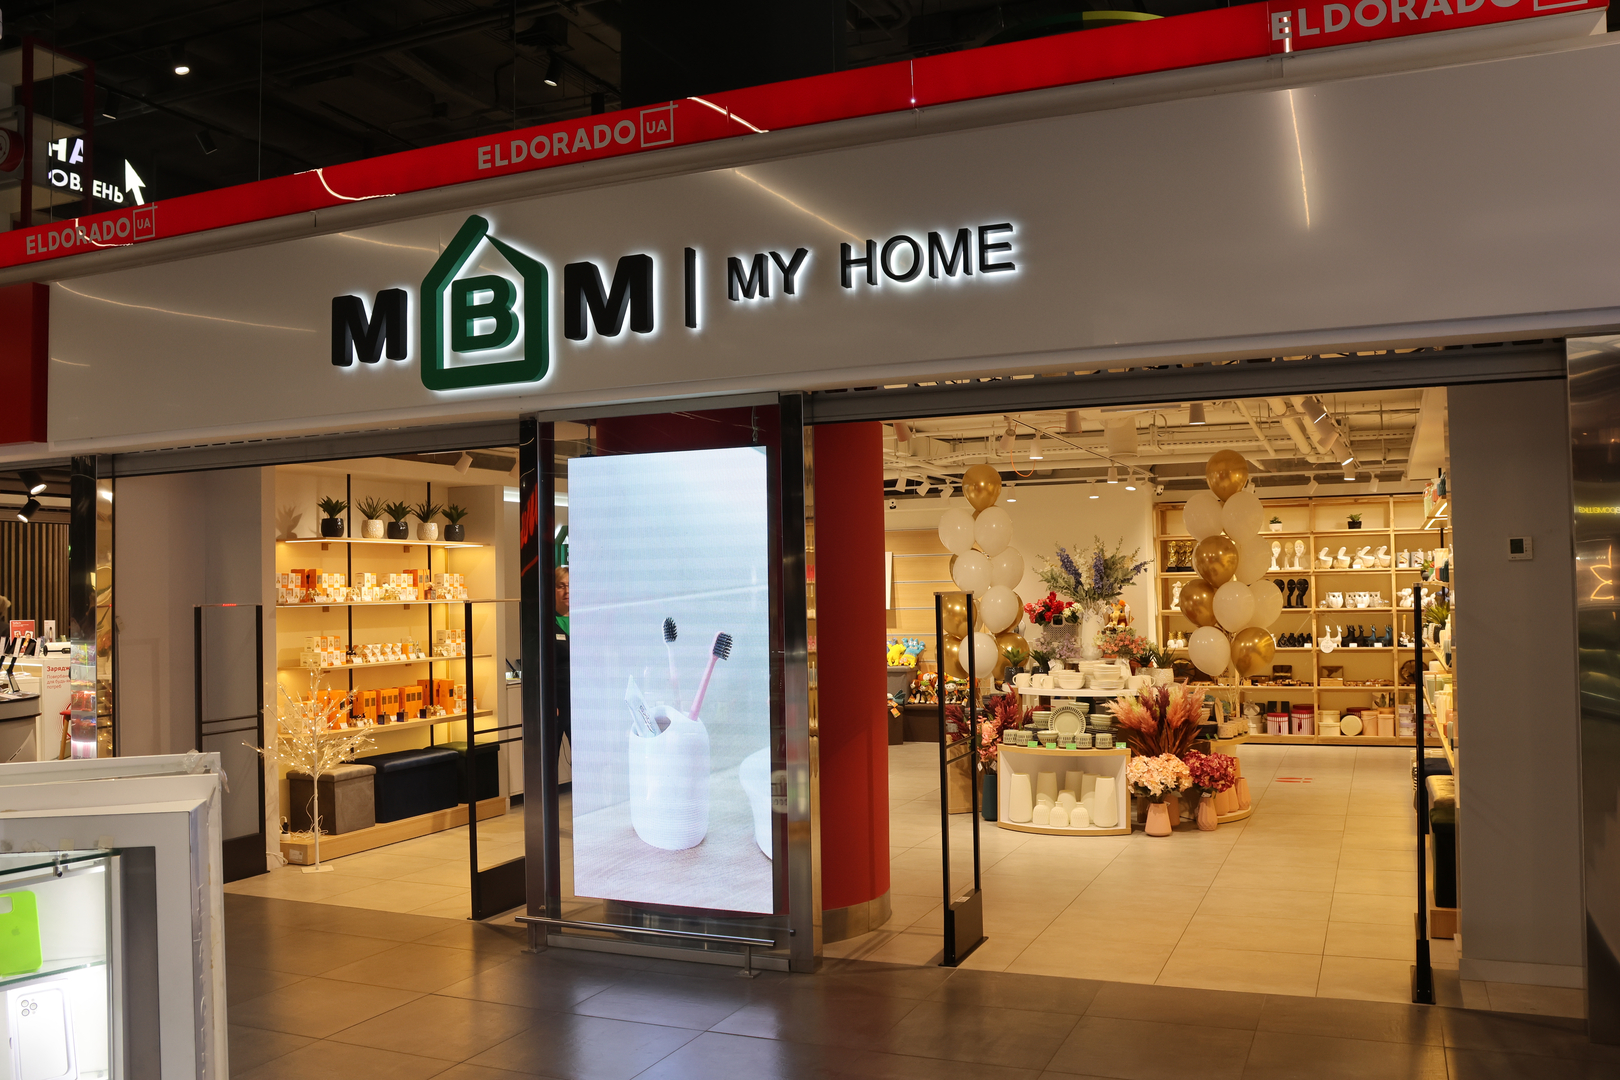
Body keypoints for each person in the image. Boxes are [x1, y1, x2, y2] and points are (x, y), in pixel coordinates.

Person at [552, 567, 571, 767]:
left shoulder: (581, 621)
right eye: (561, 586)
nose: (567, 591)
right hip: (556, 705)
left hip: (578, 704)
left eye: (569, 586)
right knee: (551, 761)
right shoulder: (545, 623)